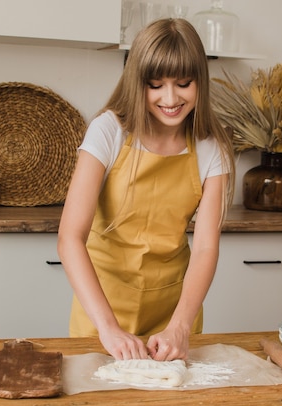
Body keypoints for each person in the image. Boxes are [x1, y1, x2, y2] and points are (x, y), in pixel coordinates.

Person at [57, 18, 235, 362]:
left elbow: (205, 248)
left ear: (201, 80)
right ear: (138, 83)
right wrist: (108, 328)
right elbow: (70, 237)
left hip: (174, 315)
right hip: (101, 313)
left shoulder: (212, 146)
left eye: (184, 83)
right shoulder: (109, 131)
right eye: (156, 85)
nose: (171, 98)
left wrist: (180, 327)